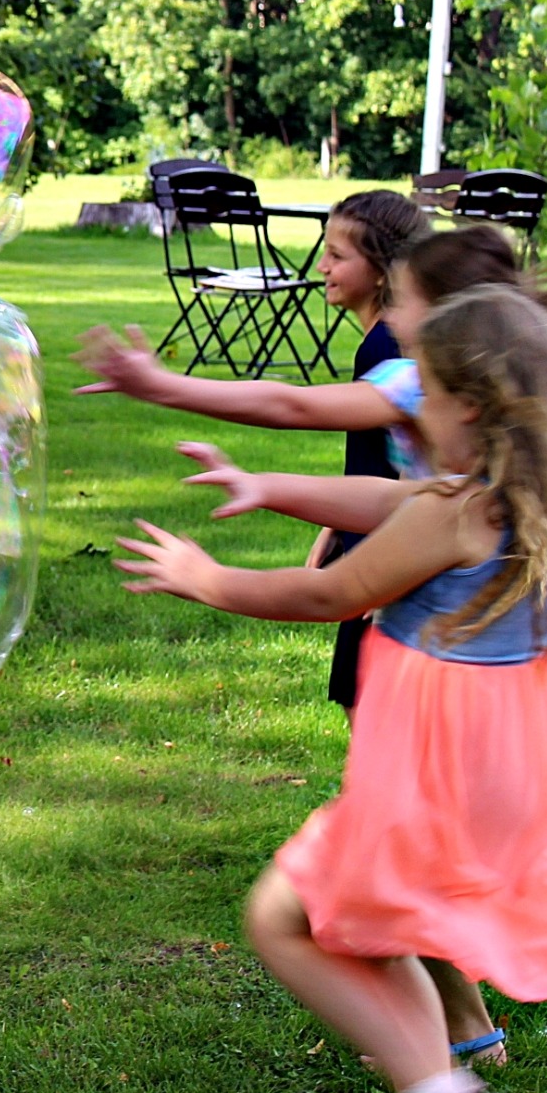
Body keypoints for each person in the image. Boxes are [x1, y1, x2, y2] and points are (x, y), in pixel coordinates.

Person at [115, 285, 547, 1093]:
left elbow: (329, 595)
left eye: (423, 397)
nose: (408, 417)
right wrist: (275, 488)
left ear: (468, 408)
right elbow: (393, 494)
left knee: (283, 919)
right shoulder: (539, 498)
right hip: (507, 770)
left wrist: (205, 577)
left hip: (435, 774)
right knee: (376, 932)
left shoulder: (455, 515)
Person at [78, 189, 429, 714]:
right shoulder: (396, 357)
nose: (321, 265)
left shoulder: (393, 354)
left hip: (399, 562)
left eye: (337, 254)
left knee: (381, 723)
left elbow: (294, 406)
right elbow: (386, 469)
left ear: (383, 270)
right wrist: (333, 523)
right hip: (383, 536)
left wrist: (162, 386)